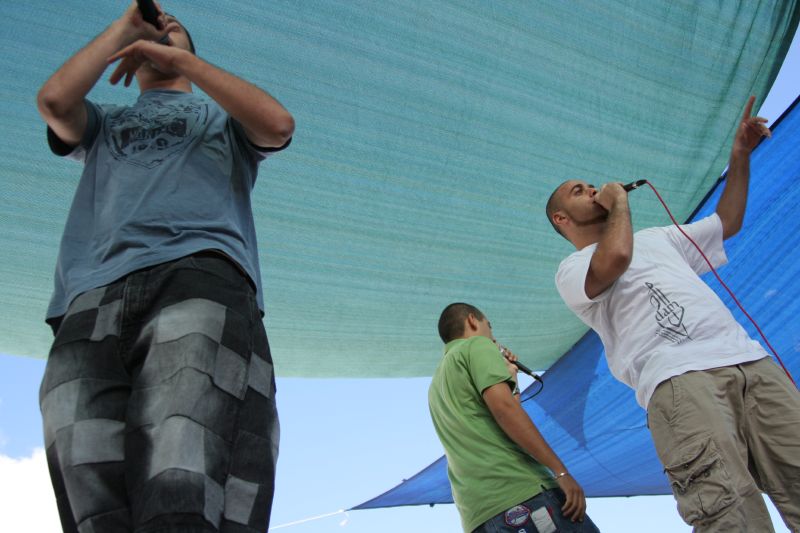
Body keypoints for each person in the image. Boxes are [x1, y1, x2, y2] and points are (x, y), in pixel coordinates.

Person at [36, 2, 294, 532]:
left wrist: (182, 59)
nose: (162, 32)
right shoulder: (105, 123)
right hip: (89, 294)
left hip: (199, 277)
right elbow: (55, 100)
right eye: (155, 30)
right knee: (84, 463)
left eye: (174, 32)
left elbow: (278, 123)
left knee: (187, 465)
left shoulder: (222, 119)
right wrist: (124, 30)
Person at [548, 96, 800, 532]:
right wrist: (618, 205)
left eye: (592, 185)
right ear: (561, 218)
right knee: (729, 512)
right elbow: (616, 258)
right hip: (680, 381)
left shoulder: (660, 237)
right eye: (579, 191)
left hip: (750, 364)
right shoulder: (571, 270)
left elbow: (727, 221)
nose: (592, 189)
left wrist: (739, 156)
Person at [429, 302, 600, 533]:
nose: (492, 336)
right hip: (522, 493)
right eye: (489, 326)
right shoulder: (477, 346)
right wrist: (561, 472)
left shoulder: (436, 385)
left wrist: (510, 377)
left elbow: (499, 413)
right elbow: (505, 411)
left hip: (478, 517)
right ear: (472, 320)